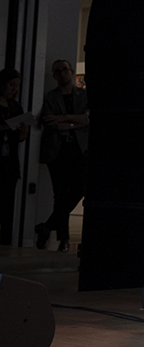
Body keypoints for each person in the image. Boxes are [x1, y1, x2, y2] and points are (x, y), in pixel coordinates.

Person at [35, 60, 89, 252]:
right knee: (60, 194)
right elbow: (50, 122)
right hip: (57, 150)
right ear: (54, 76)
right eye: (57, 71)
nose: (61, 74)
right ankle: (63, 239)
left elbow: (88, 119)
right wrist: (76, 121)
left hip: (78, 149)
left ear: (71, 71)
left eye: (64, 70)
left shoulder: (83, 95)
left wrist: (65, 119)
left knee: (79, 189)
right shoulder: (51, 97)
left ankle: (47, 227)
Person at [0, 69, 30, 246]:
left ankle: (5, 242)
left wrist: (23, 131)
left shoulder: (15, 107)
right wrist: (5, 127)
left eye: (16, 86)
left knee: (7, 203)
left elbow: (20, 137)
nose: (13, 89)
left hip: (9, 161)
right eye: (11, 85)